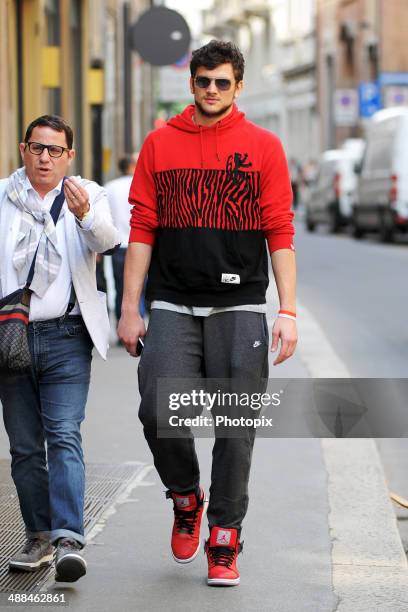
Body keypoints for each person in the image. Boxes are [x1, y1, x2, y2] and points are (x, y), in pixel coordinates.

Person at [118, 40, 297, 586]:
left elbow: (280, 232)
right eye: (203, 81)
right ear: (191, 83)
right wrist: (130, 308)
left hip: (240, 304)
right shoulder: (158, 144)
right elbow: (142, 227)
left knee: (235, 426)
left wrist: (288, 310)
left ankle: (224, 537)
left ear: (238, 85)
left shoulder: (263, 146)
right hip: (171, 300)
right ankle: (185, 496)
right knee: (157, 409)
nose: (212, 90)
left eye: (222, 82)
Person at [0, 115, 119, 582]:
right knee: (26, 449)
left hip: (67, 337)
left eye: (54, 150)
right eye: (36, 148)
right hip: (12, 336)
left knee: (64, 434)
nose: (44, 157)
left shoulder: (86, 193)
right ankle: (39, 537)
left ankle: (69, 537)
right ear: (24, 150)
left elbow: (109, 241)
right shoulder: (4, 198)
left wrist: (86, 213)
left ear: (69, 155)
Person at [104, 154, 146, 324]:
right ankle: (139, 320)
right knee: (140, 287)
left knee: (120, 286)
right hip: (140, 244)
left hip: (118, 244)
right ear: (130, 167)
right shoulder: (142, 184)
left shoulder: (109, 187)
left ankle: (122, 323)